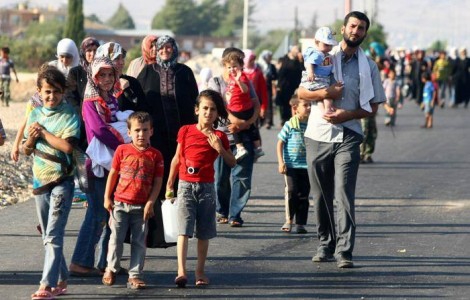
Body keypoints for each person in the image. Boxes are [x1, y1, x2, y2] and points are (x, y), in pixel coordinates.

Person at [298, 11, 386, 268]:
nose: (355, 31)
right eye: (352, 26)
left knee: (343, 193)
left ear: (365, 34)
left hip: (349, 134)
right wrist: (327, 92)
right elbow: (302, 91)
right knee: (321, 194)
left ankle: (344, 251)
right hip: (317, 134)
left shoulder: (368, 66)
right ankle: (326, 244)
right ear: (343, 28)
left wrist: (346, 114)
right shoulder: (324, 56)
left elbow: (372, 107)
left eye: (361, 28)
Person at [165, 89, 236, 288]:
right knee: (183, 230)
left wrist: (219, 148)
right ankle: (181, 271)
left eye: (213, 109)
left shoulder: (219, 136)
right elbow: (177, 158)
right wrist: (170, 184)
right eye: (205, 108)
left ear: (217, 113)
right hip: (185, 186)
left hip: (206, 188)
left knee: (203, 233)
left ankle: (200, 271)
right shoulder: (185, 130)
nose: (208, 112)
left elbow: (232, 162)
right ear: (197, 110)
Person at [22, 65, 80, 299]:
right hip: (39, 182)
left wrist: (44, 134)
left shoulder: (70, 115)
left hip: (62, 181)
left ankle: (46, 285)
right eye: (47, 92)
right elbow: (27, 149)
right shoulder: (34, 115)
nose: (51, 96)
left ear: (63, 92)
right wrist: (31, 139)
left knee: (54, 235)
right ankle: (63, 278)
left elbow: (68, 147)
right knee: (47, 235)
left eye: (56, 91)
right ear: (39, 91)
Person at [69, 56, 123, 276]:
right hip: (95, 165)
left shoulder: (112, 100)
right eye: (102, 75)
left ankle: (106, 263)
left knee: (112, 213)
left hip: (112, 164)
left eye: (111, 74)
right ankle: (80, 261)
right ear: (94, 77)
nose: (107, 79)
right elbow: (99, 131)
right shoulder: (91, 103)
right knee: (97, 212)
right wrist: (123, 144)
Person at [101, 111, 163, 290]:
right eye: (137, 130)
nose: (141, 134)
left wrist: (151, 202)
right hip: (120, 204)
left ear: (151, 131)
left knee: (139, 242)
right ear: (129, 132)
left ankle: (135, 275)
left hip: (142, 207)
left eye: (145, 130)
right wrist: (107, 197)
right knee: (116, 239)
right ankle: (111, 268)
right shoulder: (122, 150)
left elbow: (158, 181)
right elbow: (113, 174)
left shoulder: (156, 155)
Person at [137, 35, 199, 202]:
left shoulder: (185, 72)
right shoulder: (148, 72)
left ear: (174, 48)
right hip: (156, 134)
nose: (165, 51)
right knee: (159, 169)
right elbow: (139, 101)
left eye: (168, 47)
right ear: (156, 50)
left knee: (182, 168)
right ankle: (156, 209)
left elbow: (195, 100)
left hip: (183, 133)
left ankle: (181, 207)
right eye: (161, 47)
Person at [208, 47, 260, 227]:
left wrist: (248, 123)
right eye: (230, 65)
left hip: (244, 136)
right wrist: (236, 121)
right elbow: (218, 106)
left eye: (237, 65)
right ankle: (222, 210)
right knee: (221, 179)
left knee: (242, 178)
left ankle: (235, 214)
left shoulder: (246, 81)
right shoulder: (215, 82)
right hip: (222, 137)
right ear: (224, 63)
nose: (234, 69)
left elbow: (255, 104)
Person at [277, 97, 311, 234]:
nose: (309, 108)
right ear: (296, 108)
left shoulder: (311, 125)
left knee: (304, 195)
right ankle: (289, 220)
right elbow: (280, 143)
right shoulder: (290, 124)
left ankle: (301, 223)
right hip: (290, 166)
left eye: (310, 105)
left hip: (306, 166)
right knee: (291, 192)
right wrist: (281, 162)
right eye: (305, 105)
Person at [222, 50, 264, 161]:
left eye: (234, 66)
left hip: (241, 109)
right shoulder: (230, 79)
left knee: (235, 129)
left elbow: (245, 90)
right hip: (236, 108)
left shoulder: (242, 77)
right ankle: (257, 148)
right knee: (250, 128)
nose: (232, 70)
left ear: (241, 66)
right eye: (229, 67)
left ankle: (241, 148)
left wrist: (239, 81)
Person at [66, 37, 100, 151]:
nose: (93, 54)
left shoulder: (104, 71)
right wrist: (83, 114)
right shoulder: (75, 72)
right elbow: (71, 97)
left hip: (101, 117)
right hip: (82, 120)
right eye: (89, 51)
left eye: (96, 50)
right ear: (83, 53)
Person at [301, 27, 338, 115]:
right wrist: (311, 73)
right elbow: (309, 63)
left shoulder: (325, 54)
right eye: (326, 45)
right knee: (327, 95)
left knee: (319, 98)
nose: (329, 47)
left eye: (330, 45)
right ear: (317, 42)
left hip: (321, 79)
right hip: (318, 79)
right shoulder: (318, 54)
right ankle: (328, 109)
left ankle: (323, 111)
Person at [276, 45, 303, 125]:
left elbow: (303, 71)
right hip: (285, 86)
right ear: (292, 51)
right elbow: (281, 73)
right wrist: (279, 86)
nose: (297, 52)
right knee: (285, 104)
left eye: (298, 50)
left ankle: (293, 119)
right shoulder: (285, 60)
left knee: (295, 103)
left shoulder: (299, 61)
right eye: (296, 50)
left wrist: (301, 61)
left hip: (295, 86)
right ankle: (284, 120)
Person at [257, 50, 278, 129]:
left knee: (268, 104)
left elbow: (276, 76)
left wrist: (270, 77)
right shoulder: (259, 65)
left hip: (268, 86)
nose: (270, 58)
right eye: (268, 56)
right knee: (259, 103)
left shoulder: (271, 66)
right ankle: (260, 120)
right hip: (259, 87)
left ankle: (269, 121)